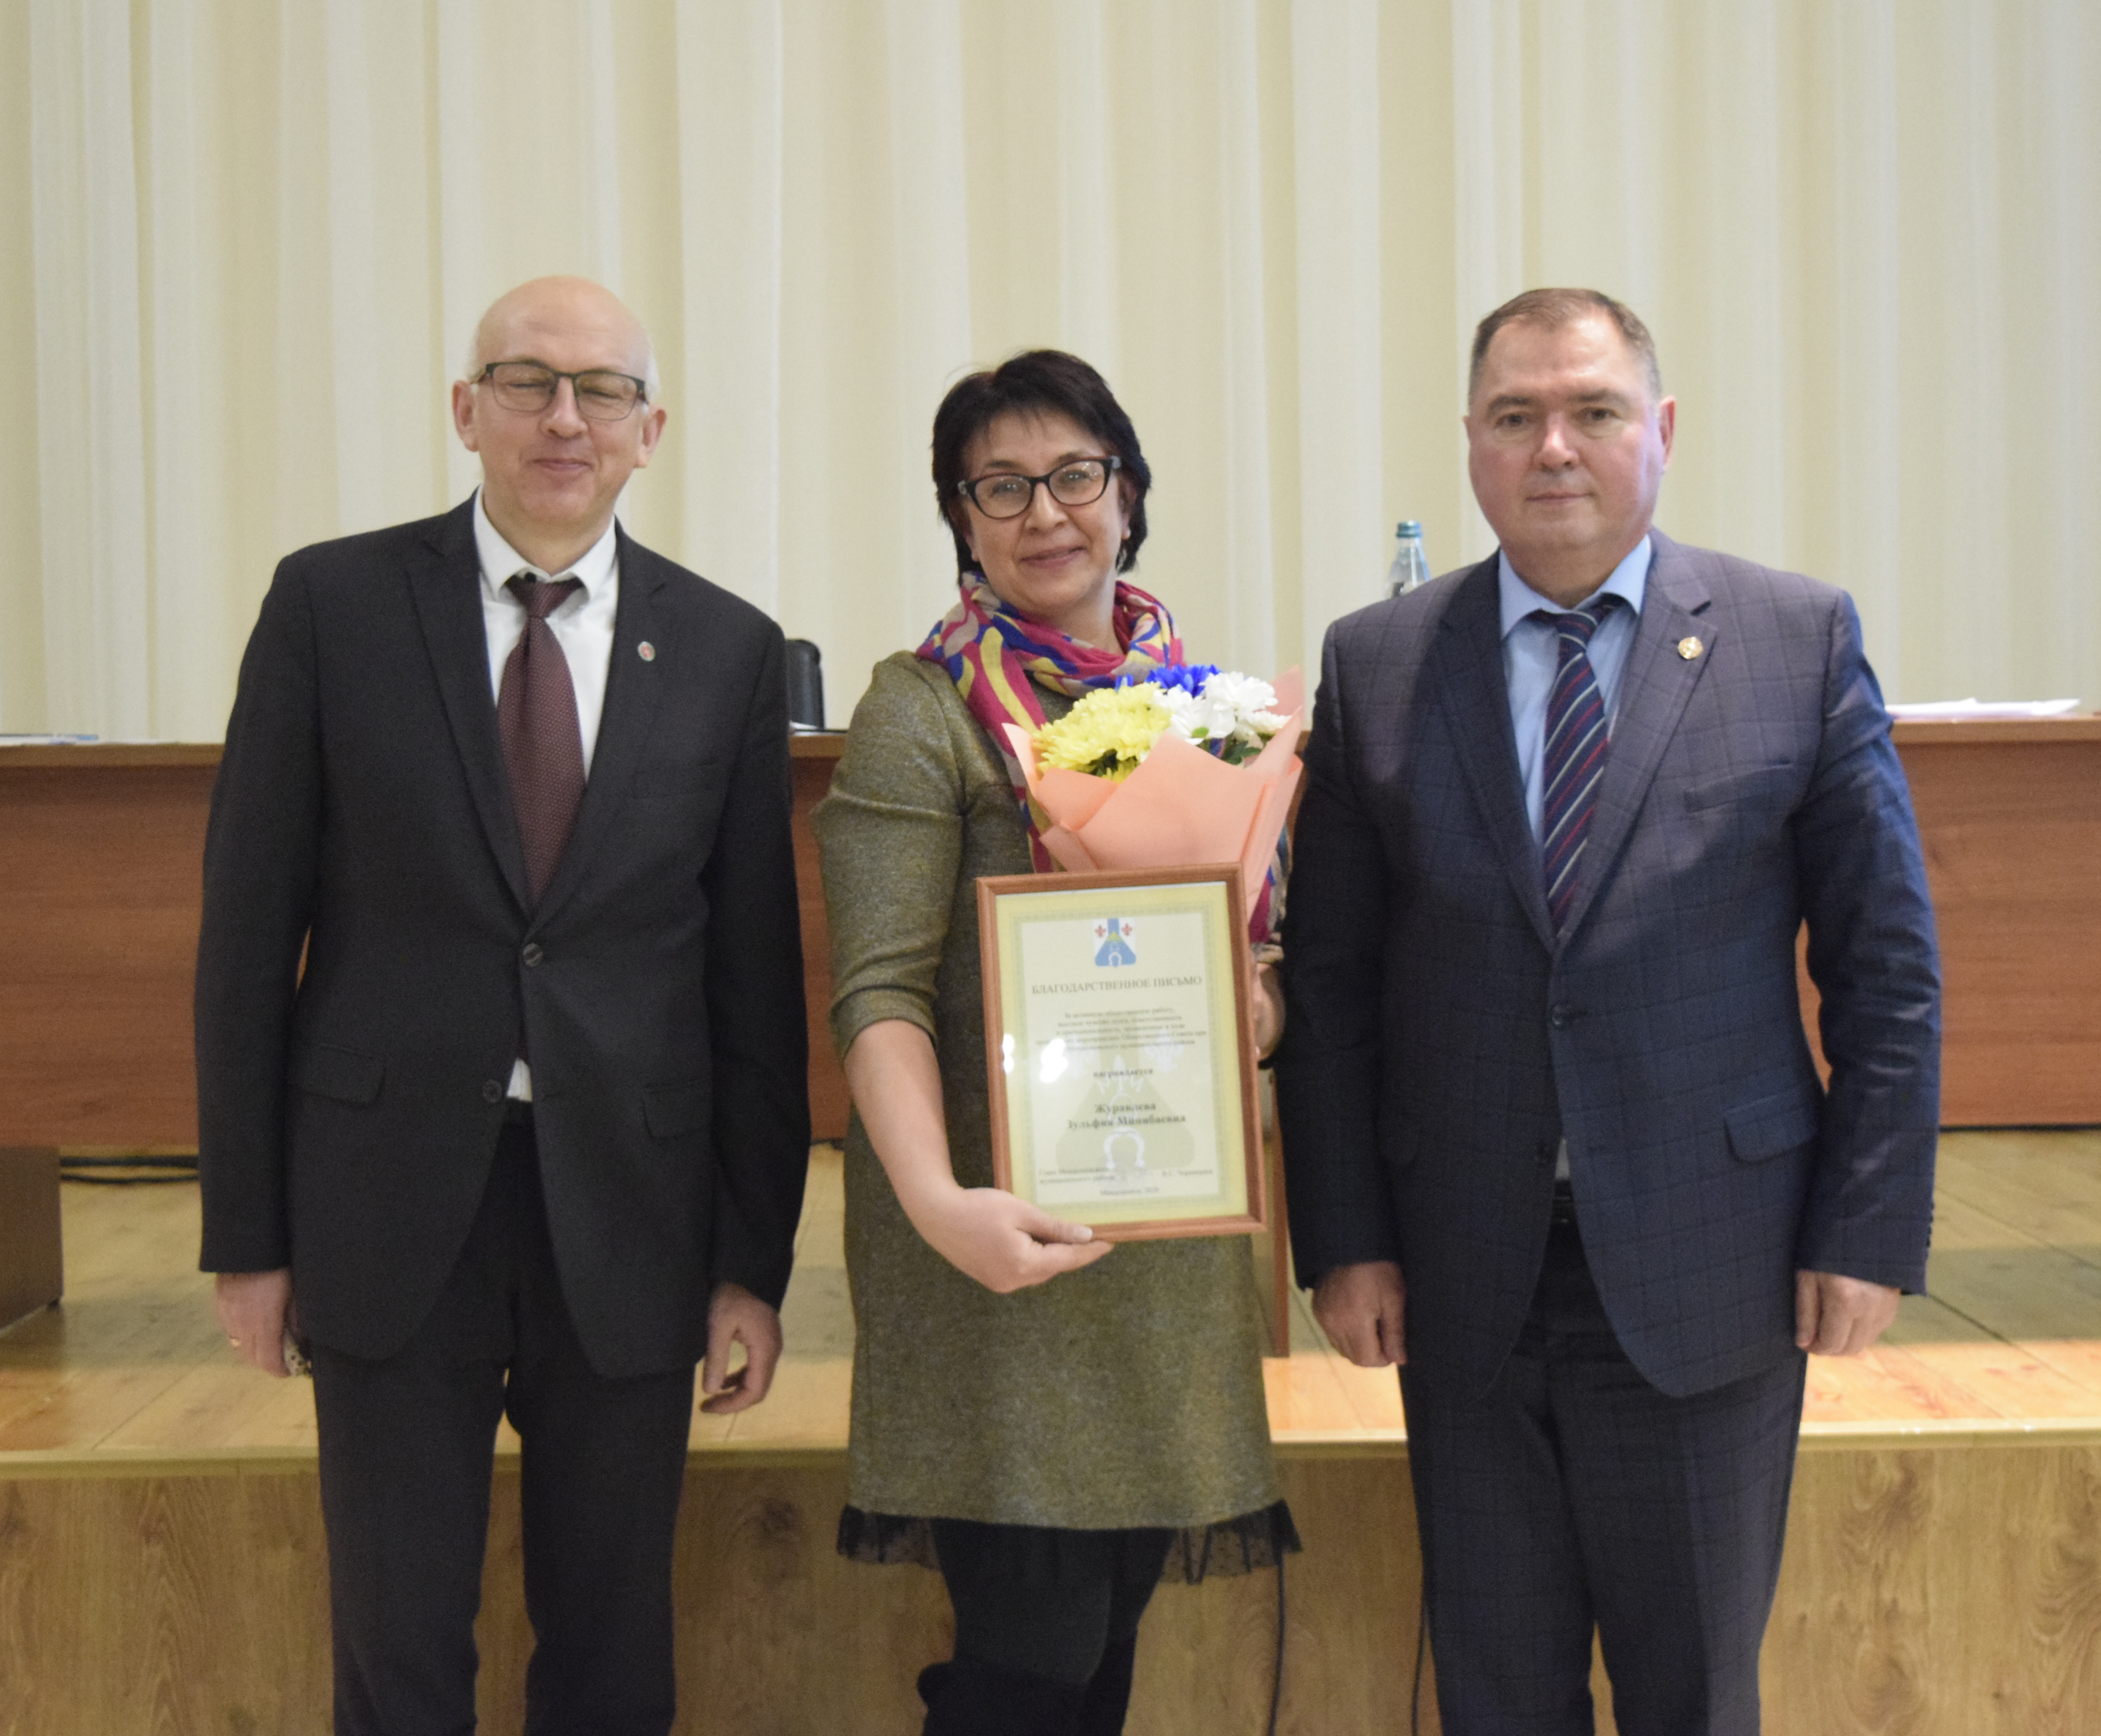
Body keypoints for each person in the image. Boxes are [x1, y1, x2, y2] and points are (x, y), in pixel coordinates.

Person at [1276, 288, 1941, 1736]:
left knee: (1692, 1697)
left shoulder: (1790, 639)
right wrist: (1344, 1237)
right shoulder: (1380, 663)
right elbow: (1328, 988)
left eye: (1592, 412)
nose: (1553, 448)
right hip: (1461, 1273)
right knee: (1498, 1697)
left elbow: (1884, 966)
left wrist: (1864, 1227)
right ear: (1471, 440)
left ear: (1663, 429)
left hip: (1713, 1267)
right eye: (1515, 416)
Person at [195, 275, 810, 1736]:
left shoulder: (726, 648)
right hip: (389, 1202)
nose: (563, 417)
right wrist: (248, 1239)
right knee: (397, 1644)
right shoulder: (331, 607)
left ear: (652, 429)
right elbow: (245, 944)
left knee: (610, 1647)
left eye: (602, 389)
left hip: (632, 1213)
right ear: (465, 410)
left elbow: (752, 986)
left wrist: (753, 1262)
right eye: (528, 380)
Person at [814, 350, 1295, 1735]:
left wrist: (1251, 1010)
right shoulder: (922, 708)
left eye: (1074, 476)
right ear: (959, 518)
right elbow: (878, 993)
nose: (1045, 513)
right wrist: (935, 1203)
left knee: (1101, 1657)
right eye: (1001, 487)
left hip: (1160, 1238)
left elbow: (1263, 969)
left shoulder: (1207, 712)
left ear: (1127, 496)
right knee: (1029, 1663)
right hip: (989, 1240)